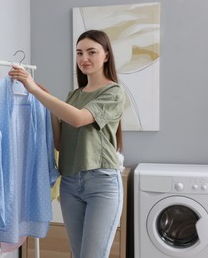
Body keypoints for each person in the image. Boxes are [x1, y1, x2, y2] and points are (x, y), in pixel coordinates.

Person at [8, 29, 125, 258]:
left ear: (107, 55)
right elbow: (61, 143)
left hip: (101, 184)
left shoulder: (114, 92)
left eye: (92, 52)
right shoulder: (74, 95)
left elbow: (79, 119)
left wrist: (34, 89)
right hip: (70, 184)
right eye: (79, 53)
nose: (84, 59)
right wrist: (45, 102)